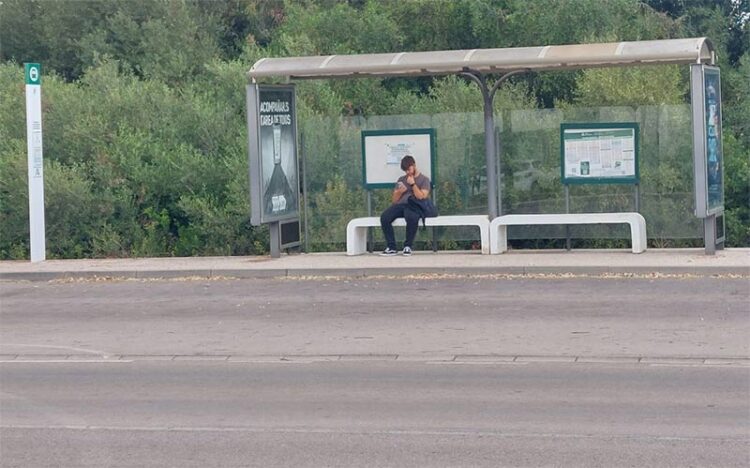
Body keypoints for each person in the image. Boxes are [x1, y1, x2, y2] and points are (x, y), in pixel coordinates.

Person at [379, 155, 431, 256]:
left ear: (414, 165)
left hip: (414, 205)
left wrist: (413, 184)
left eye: (409, 169)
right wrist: (399, 192)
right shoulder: (401, 179)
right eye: (405, 170)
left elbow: (422, 196)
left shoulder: (424, 180)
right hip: (401, 205)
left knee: (412, 217)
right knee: (385, 217)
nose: (407, 172)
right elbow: (394, 200)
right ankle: (391, 246)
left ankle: (408, 246)